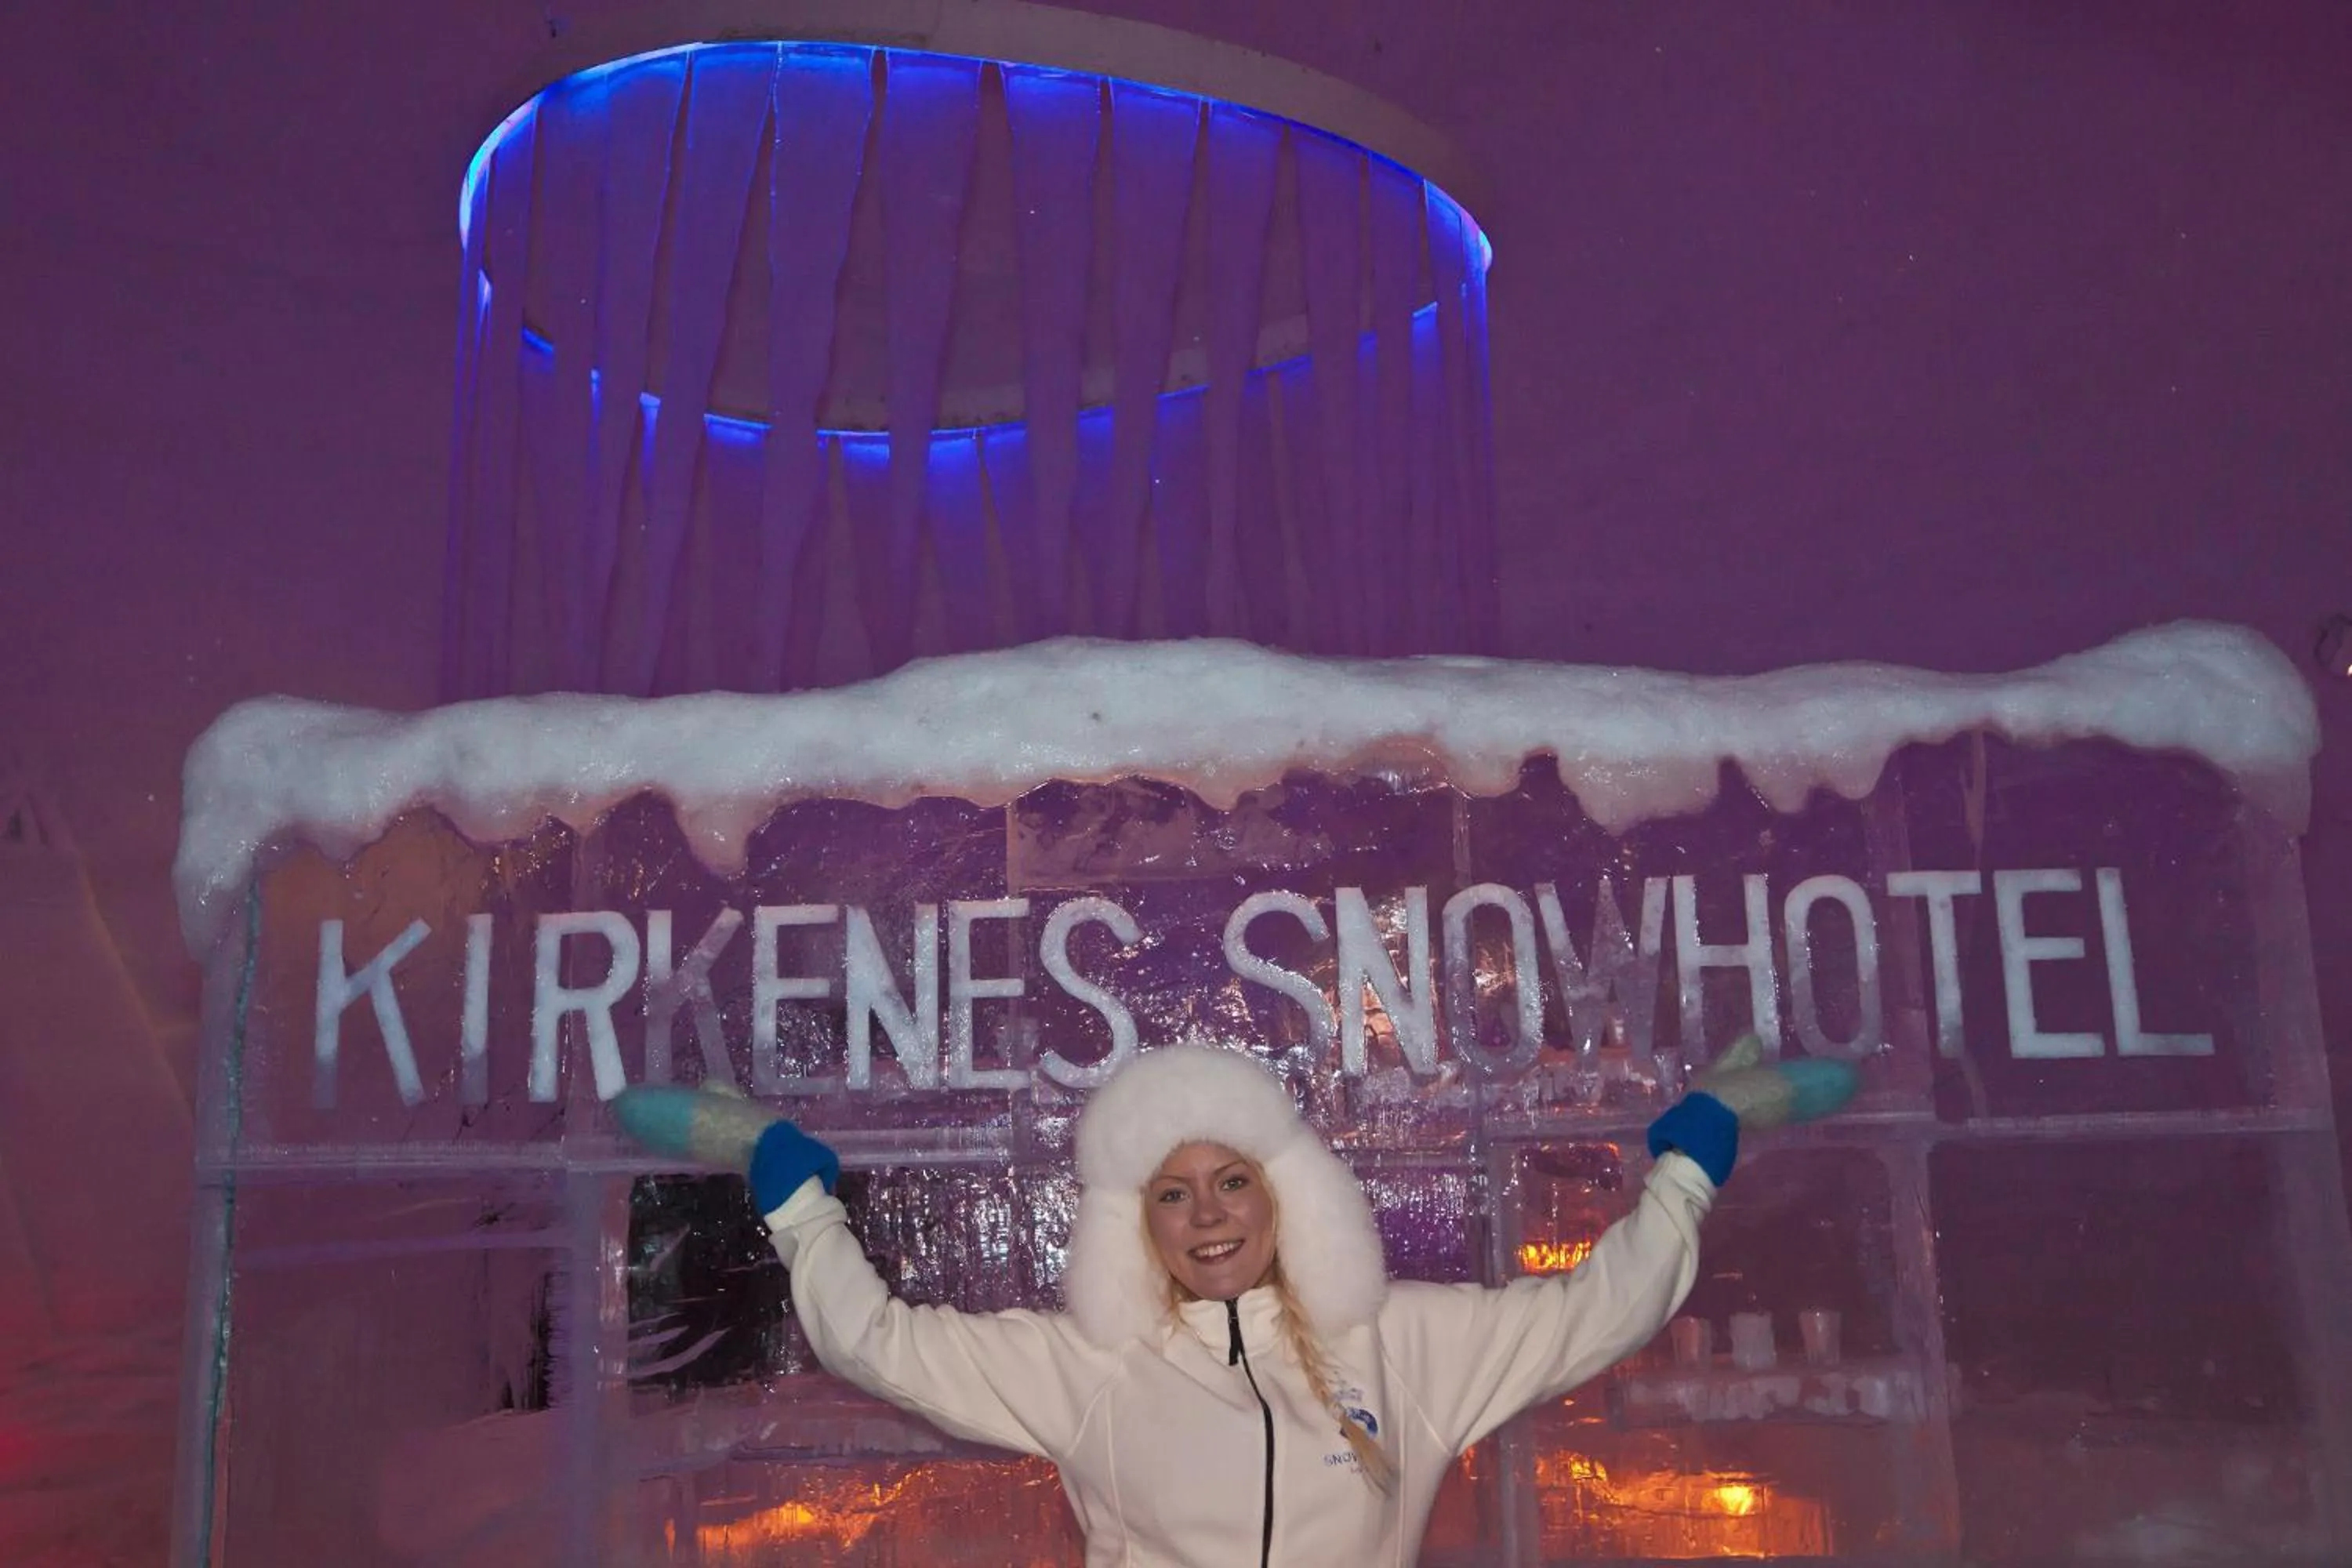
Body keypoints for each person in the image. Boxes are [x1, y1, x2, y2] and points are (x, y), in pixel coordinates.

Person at [616, 1040, 1845, 1566]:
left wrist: (1688, 1165)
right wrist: (793, 1191)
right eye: (1172, 1195)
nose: (1207, 1216)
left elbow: (1601, 1310)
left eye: (1231, 1182)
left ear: (1283, 1194)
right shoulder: (1087, 1367)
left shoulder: (1405, 1344)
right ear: (1133, 1223)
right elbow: (873, 1341)